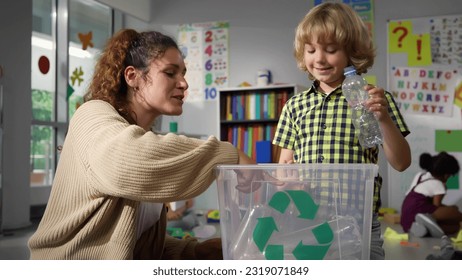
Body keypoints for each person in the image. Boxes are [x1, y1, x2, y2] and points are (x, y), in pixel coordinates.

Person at [28, 29, 266, 260]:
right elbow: (130, 161)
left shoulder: (142, 137)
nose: (184, 83)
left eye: (183, 73)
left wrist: (195, 252)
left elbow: (133, 244)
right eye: (170, 73)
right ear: (132, 77)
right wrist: (229, 154)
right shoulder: (92, 115)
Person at [272, 3, 411, 260]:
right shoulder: (294, 105)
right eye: (311, 50)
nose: (319, 59)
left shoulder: (373, 99)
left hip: (358, 222)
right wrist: (287, 181)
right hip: (307, 222)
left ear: (353, 52)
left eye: (331, 50)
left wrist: (383, 119)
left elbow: (401, 162)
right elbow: (284, 166)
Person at [401, 152, 462, 237]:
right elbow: (437, 206)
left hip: (406, 217)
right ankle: (424, 222)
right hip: (419, 211)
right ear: (446, 175)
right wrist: (451, 208)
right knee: (457, 213)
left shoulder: (420, 175)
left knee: (455, 227)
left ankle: (424, 228)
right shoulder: (438, 184)